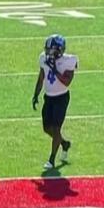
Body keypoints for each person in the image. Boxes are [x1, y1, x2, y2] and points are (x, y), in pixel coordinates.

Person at [32, 34, 77, 169]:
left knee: (56, 128)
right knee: (47, 128)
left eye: (52, 50)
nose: (49, 53)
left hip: (61, 98)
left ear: (60, 50)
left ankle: (51, 159)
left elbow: (67, 81)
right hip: (49, 97)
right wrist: (36, 94)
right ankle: (64, 143)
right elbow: (41, 77)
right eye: (48, 50)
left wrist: (54, 69)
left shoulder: (69, 60)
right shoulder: (43, 58)